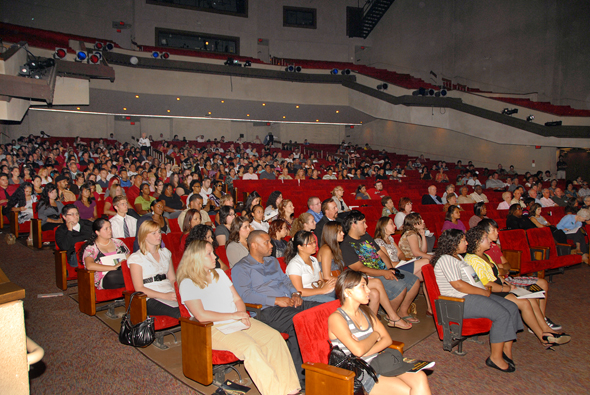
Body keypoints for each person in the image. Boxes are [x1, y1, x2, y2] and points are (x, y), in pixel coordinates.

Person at [177, 240, 301, 395]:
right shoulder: (188, 283)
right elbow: (201, 315)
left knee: (274, 337)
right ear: (195, 258)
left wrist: (242, 314)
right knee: (250, 348)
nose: (215, 256)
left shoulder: (220, 274)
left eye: (213, 252)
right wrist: (234, 315)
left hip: (235, 320)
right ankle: (274, 392)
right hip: (211, 328)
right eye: (209, 254)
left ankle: (291, 389)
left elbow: (237, 299)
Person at [232, 230, 321, 384]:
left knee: (320, 311)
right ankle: (299, 377)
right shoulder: (242, 268)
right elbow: (244, 295)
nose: (271, 245)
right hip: (265, 311)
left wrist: (295, 294)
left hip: (289, 303)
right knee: (298, 322)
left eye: (270, 241)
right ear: (253, 245)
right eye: (266, 242)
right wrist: (274, 300)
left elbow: (285, 281)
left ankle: (321, 363)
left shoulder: (272, 262)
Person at [464, 227, 570, 349]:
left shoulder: (484, 256)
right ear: (477, 242)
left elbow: (496, 275)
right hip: (493, 291)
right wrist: (507, 289)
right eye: (485, 238)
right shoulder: (473, 259)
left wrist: (508, 284)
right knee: (524, 303)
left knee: (532, 298)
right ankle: (543, 337)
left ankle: (546, 329)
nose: (489, 240)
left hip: (500, 286)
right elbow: (486, 284)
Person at [328, 271, 432, 394]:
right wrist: (375, 335)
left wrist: (364, 350)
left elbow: (387, 340)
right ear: (348, 292)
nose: (368, 290)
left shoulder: (366, 312)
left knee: (420, 377)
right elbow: (358, 351)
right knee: (408, 391)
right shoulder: (337, 318)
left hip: (379, 362)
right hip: (360, 372)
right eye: (363, 286)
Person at [433, 229, 522, 372]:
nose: (467, 243)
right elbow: (458, 285)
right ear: (453, 243)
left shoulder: (458, 257)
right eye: (463, 240)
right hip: (459, 301)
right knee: (502, 314)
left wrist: (483, 291)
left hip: (471, 296)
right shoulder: (446, 259)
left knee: (511, 307)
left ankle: (506, 351)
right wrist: (483, 292)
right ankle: (495, 358)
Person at [340, 211, 420, 329]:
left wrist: (390, 269)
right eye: (363, 223)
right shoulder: (346, 245)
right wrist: (383, 272)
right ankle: (391, 315)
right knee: (400, 287)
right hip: (369, 276)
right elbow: (360, 268)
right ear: (354, 224)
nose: (366, 226)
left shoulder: (366, 236)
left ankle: (401, 312)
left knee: (414, 281)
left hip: (383, 270)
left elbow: (381, 254)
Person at [374, 217, 433, 315]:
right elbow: (388, 262)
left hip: (400, 265)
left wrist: (403, 261)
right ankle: (402, 311)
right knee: (426, 262)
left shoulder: (390, 239)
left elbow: (401, 254)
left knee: (426, 274)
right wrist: (403, 262)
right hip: (392, 269)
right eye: (391, 224)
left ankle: (430, 307)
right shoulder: (378, 242)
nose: (395, 226)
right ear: (384, 226)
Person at [128, 220, 180, 318]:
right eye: (154, 233)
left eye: (159, 232)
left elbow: (172, 279)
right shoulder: (136, 258)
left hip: (168, 291)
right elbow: (139, 288)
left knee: (195, 306)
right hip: (150, 297)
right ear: (144, 236)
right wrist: (165, 296)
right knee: (181, 313)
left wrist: (179, 292)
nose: (159, 236)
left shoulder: (165, 253)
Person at [284, 230, 336, 303]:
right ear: (300, 247)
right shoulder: (295, 264)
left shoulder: (313, 260)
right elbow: (299, 291)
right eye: (310, 243)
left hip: (317, 291)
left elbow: (320, 281)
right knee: (332, 302)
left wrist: (329, 285)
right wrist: (322, 290)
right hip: (305, 298)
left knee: (343, 292)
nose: (314, 245)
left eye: (314, 242)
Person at [79, 218, 129, 289]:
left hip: (122, 272)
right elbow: (89, 265)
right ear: (97, 232)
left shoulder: (118, 243)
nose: (110, 231)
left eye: (110, 227)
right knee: (112, 275)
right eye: (106, 229)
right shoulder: (91, 248)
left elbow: (129, 259)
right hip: (104, 277)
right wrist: (113, 267)